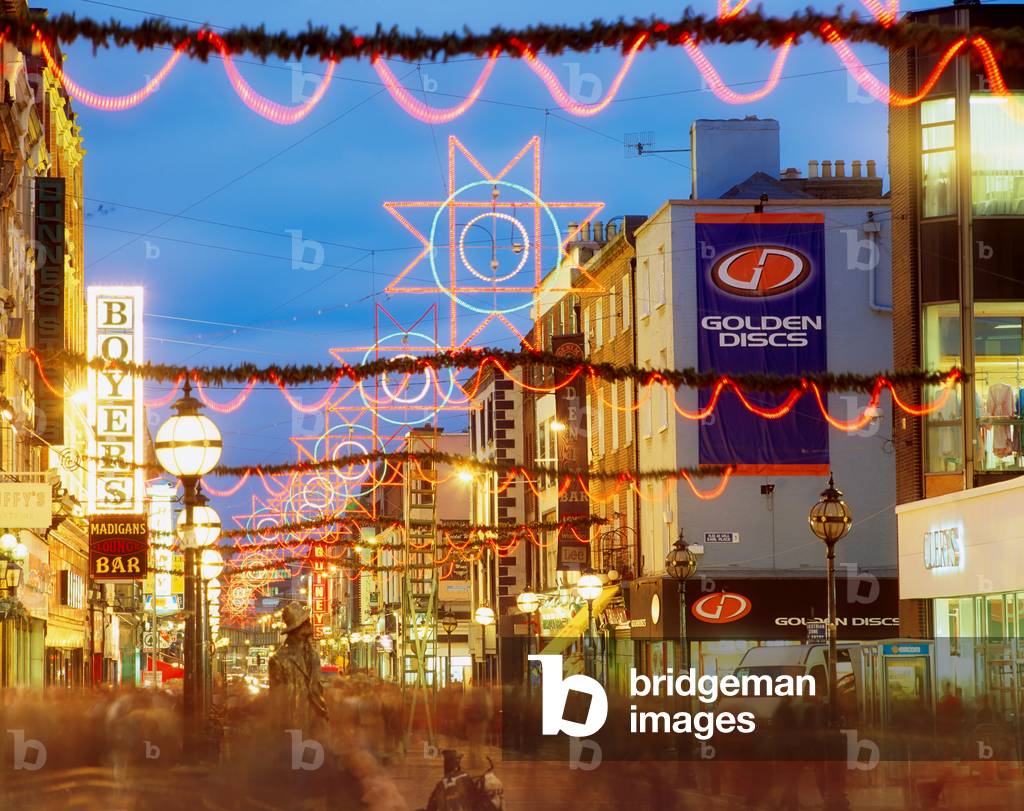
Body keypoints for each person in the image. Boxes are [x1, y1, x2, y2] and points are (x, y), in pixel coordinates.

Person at [268, 604, 330, 732]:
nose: (309, 623)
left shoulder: (313, 655)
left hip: (316, 722)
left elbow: (317, 688)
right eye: (305, 621)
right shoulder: (279, 659)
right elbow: (276, 699)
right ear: (296, 628)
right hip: (293, 725)